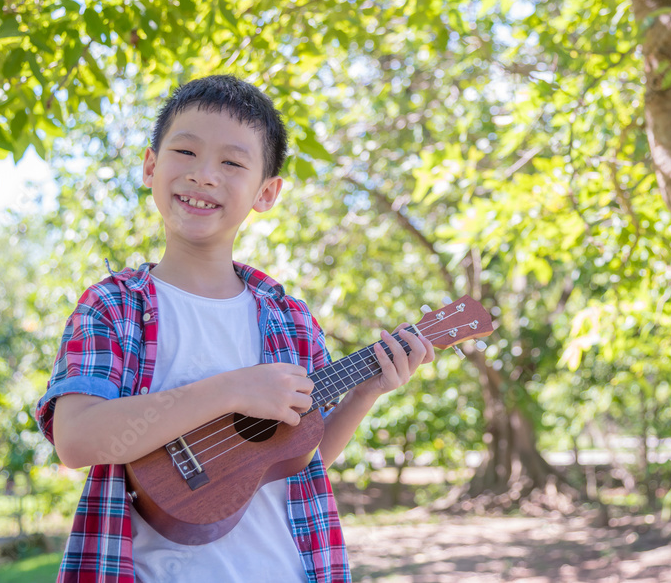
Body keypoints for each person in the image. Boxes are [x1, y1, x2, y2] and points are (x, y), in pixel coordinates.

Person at [35, 74, 434, 583]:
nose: (204, 175)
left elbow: (296, 457)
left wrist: (364, 393)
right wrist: (232, 390)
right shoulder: (114, 306)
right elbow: (76, 438)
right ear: (150, 167)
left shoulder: (290, 319)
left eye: (231, 162)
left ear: (266, 193)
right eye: (185, 152)